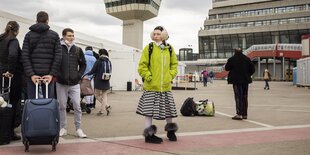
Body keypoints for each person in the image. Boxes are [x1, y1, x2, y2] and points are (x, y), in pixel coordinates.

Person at [136, 26, 178, 144]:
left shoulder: (169, 49)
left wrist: (170, 75)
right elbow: (142, 65)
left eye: (158, 34)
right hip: (151, 86)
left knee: (169, 111)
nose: (156, 36)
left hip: (165, 87)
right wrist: (148, 76)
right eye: (154, 34)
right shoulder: (148, 48)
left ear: (164, 35)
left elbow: (174, 65)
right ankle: (149, 136)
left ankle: (171, 131)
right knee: (148, 112)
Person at [22, 11, 62, 99]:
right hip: (48, 75)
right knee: (48, 100)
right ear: (47, 21)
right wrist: (51, 74)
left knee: (32, 100)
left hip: (32, 74)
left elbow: (24, 56)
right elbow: (58, 56)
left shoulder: (28, 35)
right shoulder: (54, 35)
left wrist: (31, 74)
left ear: (36, 21)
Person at [56, 28, 87, 138]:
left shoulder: (77, 49)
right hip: (61, 83)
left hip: (74, 84)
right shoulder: (58, 48)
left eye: (73, 35)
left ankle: (78, 129)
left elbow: (83, 64)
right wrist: (57, 75)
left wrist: (78, 75)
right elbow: (54, 63)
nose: (71, 38)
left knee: (77, 106)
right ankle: (63, 128)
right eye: (69, 35)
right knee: (62, 106)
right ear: (64, 36)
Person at [0, 21, 23, 144]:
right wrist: (11, 70)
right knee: (11, 103)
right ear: (16, 31)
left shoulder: (1, 38)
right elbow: (13, 55)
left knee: (1, 102)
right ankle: (8, 132)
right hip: (11, 77)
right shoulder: (13, 40)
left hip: (0, 74)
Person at [225, 48, 255, 120]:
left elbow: (227, 68)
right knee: (244, 97)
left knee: (238, 97)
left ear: (234, 52)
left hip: (236, 81)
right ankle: (245, 114)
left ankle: (239, 113)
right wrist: (247, 75)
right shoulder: (247, 59)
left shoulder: (232, 59)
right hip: (245, 81)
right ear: (242, 52)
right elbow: (252, 69)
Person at [85, 49, 112, 116]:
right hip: (106, 80)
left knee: (97, 95)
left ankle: (105, 108)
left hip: (99, 80)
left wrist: (86, 74)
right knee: (104, 95)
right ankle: (105, 108)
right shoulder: (109, 62)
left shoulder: (98, 61)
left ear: (100, 53)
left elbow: (93, 70)